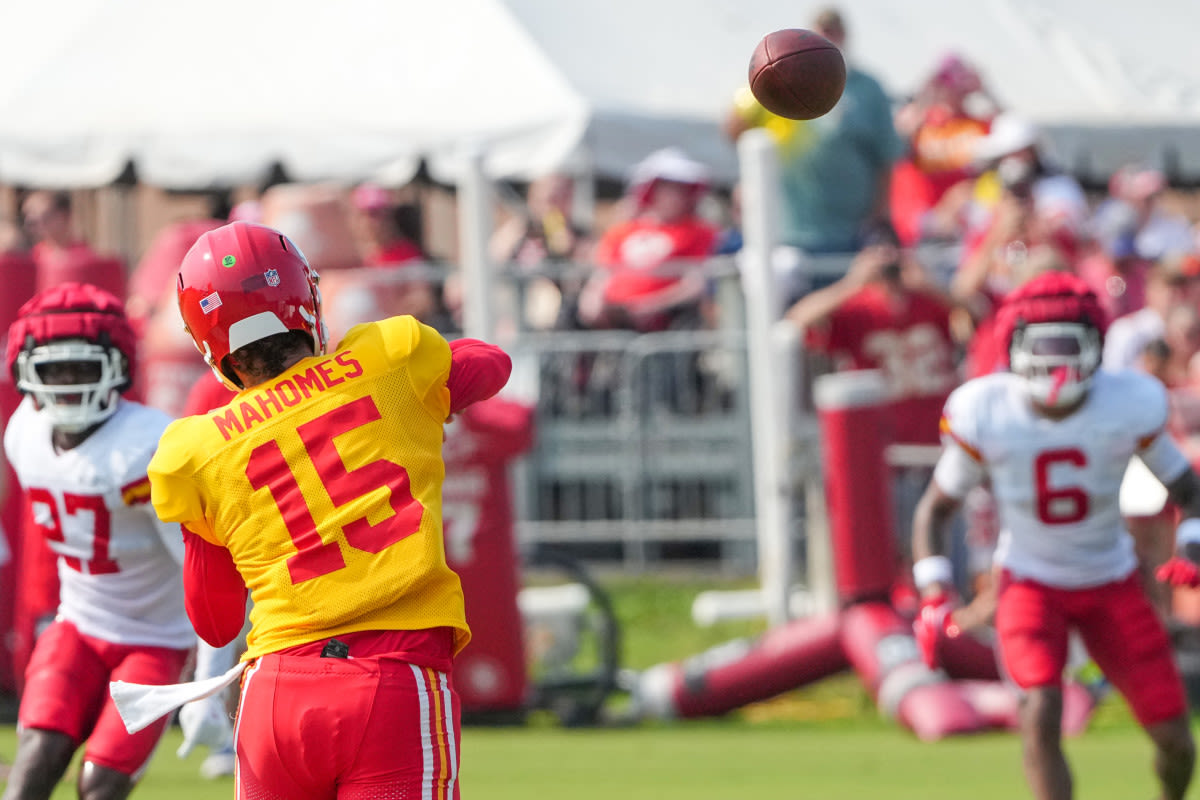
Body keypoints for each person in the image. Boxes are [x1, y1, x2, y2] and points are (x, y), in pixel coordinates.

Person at [145, 221, 512, 799]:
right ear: (305, 296)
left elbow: (213, 620)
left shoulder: (197, 449)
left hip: (277, 696)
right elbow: (491, 363)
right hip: (393, 674)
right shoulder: (387, 362)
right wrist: (433, 401)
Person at [910, 271, 1200, 800]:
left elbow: (1189, 490)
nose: (1056, 359)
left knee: (1176, 739)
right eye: (1042, 343)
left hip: (1111, 581)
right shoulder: (987, 408)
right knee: (1040, 707)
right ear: (1013, 344)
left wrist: (1192, 544)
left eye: (1068, 342)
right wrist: (933, 592)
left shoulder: (1127, 401)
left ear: (1095, 341)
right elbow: (936, 509)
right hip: (1029, 581)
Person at [0, 283, 229, 800]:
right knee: (33, 763)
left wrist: (210, 688)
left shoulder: (148, 447)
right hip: (78, 624)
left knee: (99, 784)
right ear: (25, 372)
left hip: (156, 640)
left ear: (117, 366)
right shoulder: (23, 433)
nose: (67, 385)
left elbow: (209, 568)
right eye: (53, 370)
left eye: (82, 368)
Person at [724, 7, 901, 288]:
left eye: (835, 29)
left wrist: (879, 217)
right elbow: (733, 132)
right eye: (822, 28)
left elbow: (887, 157)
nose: (829, 34)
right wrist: (759, 85)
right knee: (790, 324)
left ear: (845, 35)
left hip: (850, 233)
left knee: (843, 320)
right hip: (786, 233)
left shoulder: (868, 88)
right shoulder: (779, 77)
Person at [784, 223, 958, 446]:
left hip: (934, 429)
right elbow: (798, 318)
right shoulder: (857, 308)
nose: (886, 259)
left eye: (893, 250)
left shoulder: (930, 300)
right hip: (881, 435)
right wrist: (851, 283)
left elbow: (977, 312)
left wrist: (927, 283)